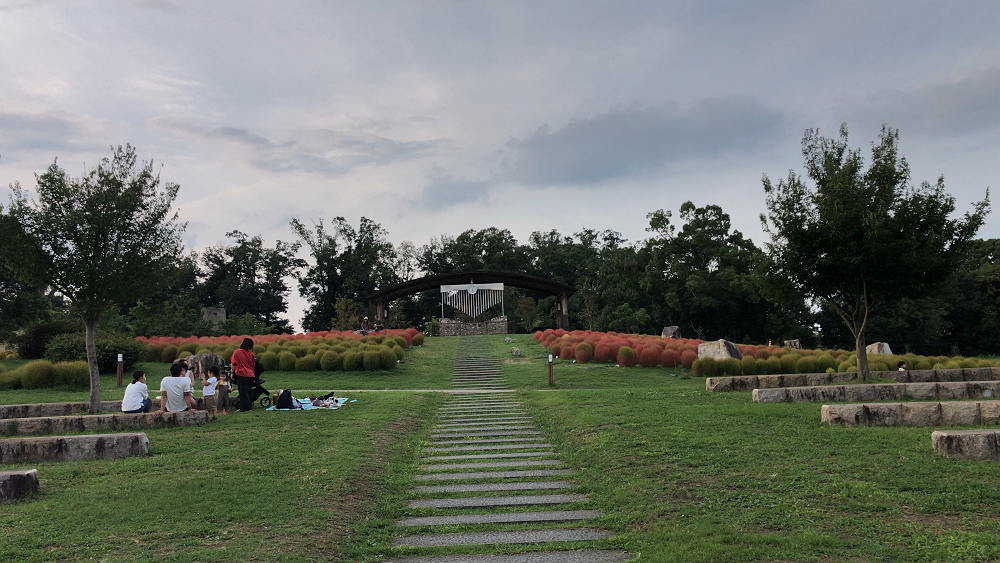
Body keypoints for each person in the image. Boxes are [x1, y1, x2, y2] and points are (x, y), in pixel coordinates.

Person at [231, 337, 257, 412]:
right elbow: (253, 366)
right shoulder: (251, 354)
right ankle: (245, 407)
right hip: (250, 375)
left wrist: (232, 373)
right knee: (248, 392)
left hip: (242, 374)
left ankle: (246, 408)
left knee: (243, 393)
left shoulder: (237, 352)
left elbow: (233, 363)